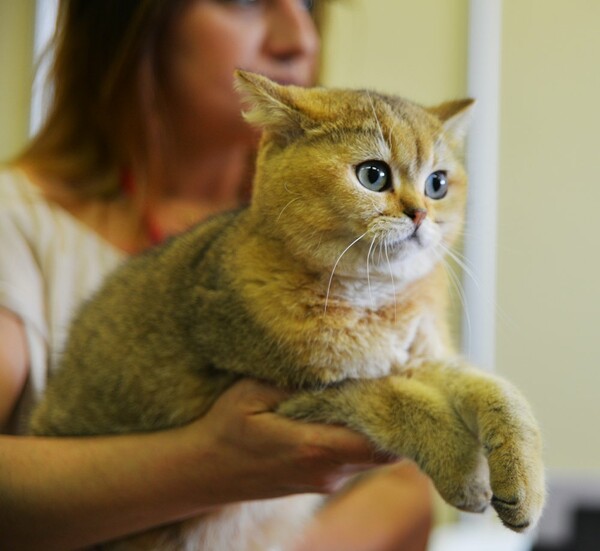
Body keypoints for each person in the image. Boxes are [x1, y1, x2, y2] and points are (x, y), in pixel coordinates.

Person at [0, 1, 433, 549]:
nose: (297, 37)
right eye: (245, 1)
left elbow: (406, 486)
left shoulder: (356, 239)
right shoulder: (15, 226)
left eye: (306, 3)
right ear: (131, 23)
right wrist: (209, 465)